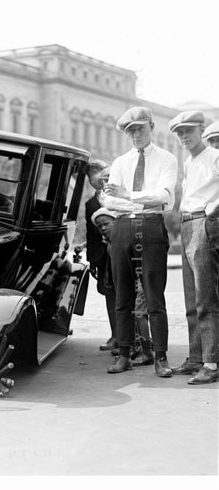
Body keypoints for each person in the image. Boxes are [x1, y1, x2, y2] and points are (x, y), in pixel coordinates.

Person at [102, 106, 177, 377]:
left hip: (151, 225)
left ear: (151, 127)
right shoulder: (121, 162)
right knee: (123, 293)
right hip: (123, 225)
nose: (135, 134)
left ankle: (161, 357)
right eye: (130, 130)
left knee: (154, 294)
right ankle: (124, 355)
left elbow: (163, 197)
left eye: (139, 129)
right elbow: (110, 200)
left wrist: (128, 194)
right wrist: (135, 196)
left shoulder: (167, 159)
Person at [168, 111, 219, 384]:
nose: (184, 136)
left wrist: (214, 208)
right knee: (190, 297)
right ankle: (196, 357)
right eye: (179, 133)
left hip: (204, 222)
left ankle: (211, 363)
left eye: (188, 130)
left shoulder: (214, 156)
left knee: (205, 296)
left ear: (201, 129)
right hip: (188, 223)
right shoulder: (189, 162)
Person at [92, 208, 153, 365]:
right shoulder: (111, 244)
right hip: (130, 284)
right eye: (99, 226)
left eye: (106, 224)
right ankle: (135, 346)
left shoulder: (129, 239)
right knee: (131, 313)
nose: (103, 228)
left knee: (139, 313)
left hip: (140, 282)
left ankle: (146, 352)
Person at [84, 159, 117, 352]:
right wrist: (92, 259)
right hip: (103, 257)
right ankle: (115, 335)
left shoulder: (119, 197)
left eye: (97, 172)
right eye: (90, 175)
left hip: (121, 252)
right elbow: (90, 233)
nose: (93, 178)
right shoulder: (90, 203)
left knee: (129, 294)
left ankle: (136, 337)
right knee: (109, 294)